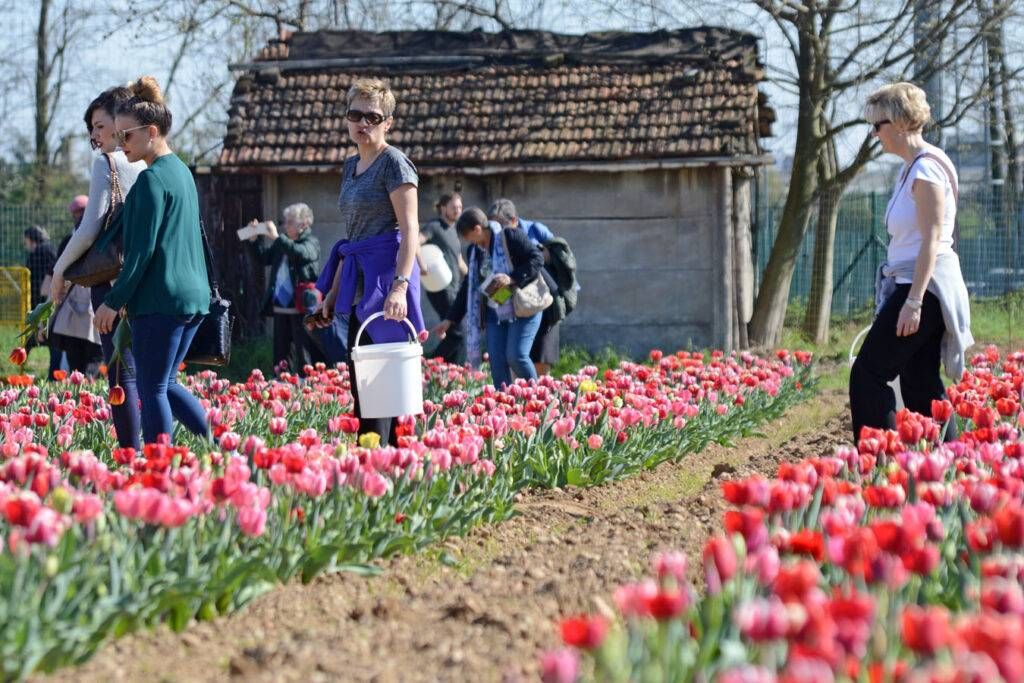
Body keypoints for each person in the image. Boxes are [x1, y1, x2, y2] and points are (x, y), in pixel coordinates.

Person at [850, 82, 973, 443]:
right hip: (916, 284)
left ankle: (880, 459)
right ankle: (952, 461)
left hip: (923, 287)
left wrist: (914, 302)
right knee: (920, 383)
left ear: (901, 122)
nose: (874, 134)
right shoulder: (913, 168)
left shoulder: (926, 170)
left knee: (868, 374)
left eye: (878, 125)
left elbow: (932, 239)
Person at [93, 76, 210, 446]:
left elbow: (140, 253)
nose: (120, 143)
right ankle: (215, 447)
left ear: (152, 131)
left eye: (127, 135)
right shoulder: (182, 173)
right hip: (194, 297)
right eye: (118, 135)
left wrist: (113, 301)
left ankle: (159, 467)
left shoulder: (150, 181)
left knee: (152, 387)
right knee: (166, 382)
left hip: (161, 299)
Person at [308, 78, 424, 446]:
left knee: (385, 388)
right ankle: (374, 461)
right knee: (364, 382)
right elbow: (353, 237)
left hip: (387, 278)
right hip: (359, 277)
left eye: (372, 117)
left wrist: (400, 288)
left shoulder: (395, 164)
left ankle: (388, 461)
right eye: (355, 114)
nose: (362, 123)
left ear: (388, 122)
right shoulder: (350, 166)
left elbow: (410, 229)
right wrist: (333, 293)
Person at [51, 85, 146, 449]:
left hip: (110, 280)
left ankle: (131, 453)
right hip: (143, 277)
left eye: (100, 125)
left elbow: (89, 228)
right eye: (91, 129)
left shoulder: (106, 162)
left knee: (123, 376)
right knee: (154, 377)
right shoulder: (146, 161)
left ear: (120, 121)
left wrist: (60, 270)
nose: (95, 135)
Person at [433, 207, 544, 389]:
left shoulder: (510, 236)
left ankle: (537, 396)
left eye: (468, 236)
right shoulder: (474, 251)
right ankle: (504, 401)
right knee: (497, 362)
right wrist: (450, 319)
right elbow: (468, 287)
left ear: (477, 229)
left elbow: (537, 259)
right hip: (494, 310)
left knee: (516, 356)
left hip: (521, 306)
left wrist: (512, 278)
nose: (469, 242)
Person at [488, 198, 563, 375]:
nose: (496, 230)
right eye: (492, 226)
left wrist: (514, 276)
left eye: (500, 225)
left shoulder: (533, 230)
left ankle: (539, 390)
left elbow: (554, 258)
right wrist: (494, 302)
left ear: (514, 220)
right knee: (516, 357)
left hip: (540, 300)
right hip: (517, 304)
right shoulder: (492, 242)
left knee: (539, 358)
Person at [246, 203, 322, 374]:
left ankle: (308, 386)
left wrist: (276, 237)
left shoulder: (311, 242)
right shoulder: (282, 243)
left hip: (301, 308)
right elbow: (263, 258)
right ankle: (280, 385)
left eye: (290, 222)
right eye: (285, 222)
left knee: (304, 354)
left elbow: (300, 253)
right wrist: (254, 240)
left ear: (303, 224)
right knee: (281, 357)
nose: (285, 226)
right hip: (281, 307)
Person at [48, 196, 103, 377]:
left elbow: (59, 274)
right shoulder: (104, 237)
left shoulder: (69, 241)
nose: (79, 215)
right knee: (90, 363)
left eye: (81, 212)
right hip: (95, 308)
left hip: (73, 312)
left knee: (78, 368)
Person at [418, 192, 467, 364]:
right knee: (458, 333)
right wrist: (422, 265)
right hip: (440, 288)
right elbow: (415, 241)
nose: (458, 210)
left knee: (456, 334)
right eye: (454, 207)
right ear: (443, 208)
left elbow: (459, 261)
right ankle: (430, 364)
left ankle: (454, 371)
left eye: (460, 207)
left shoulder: (454, 231)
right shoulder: (434, 226)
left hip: (454, 288)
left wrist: (473, 277)